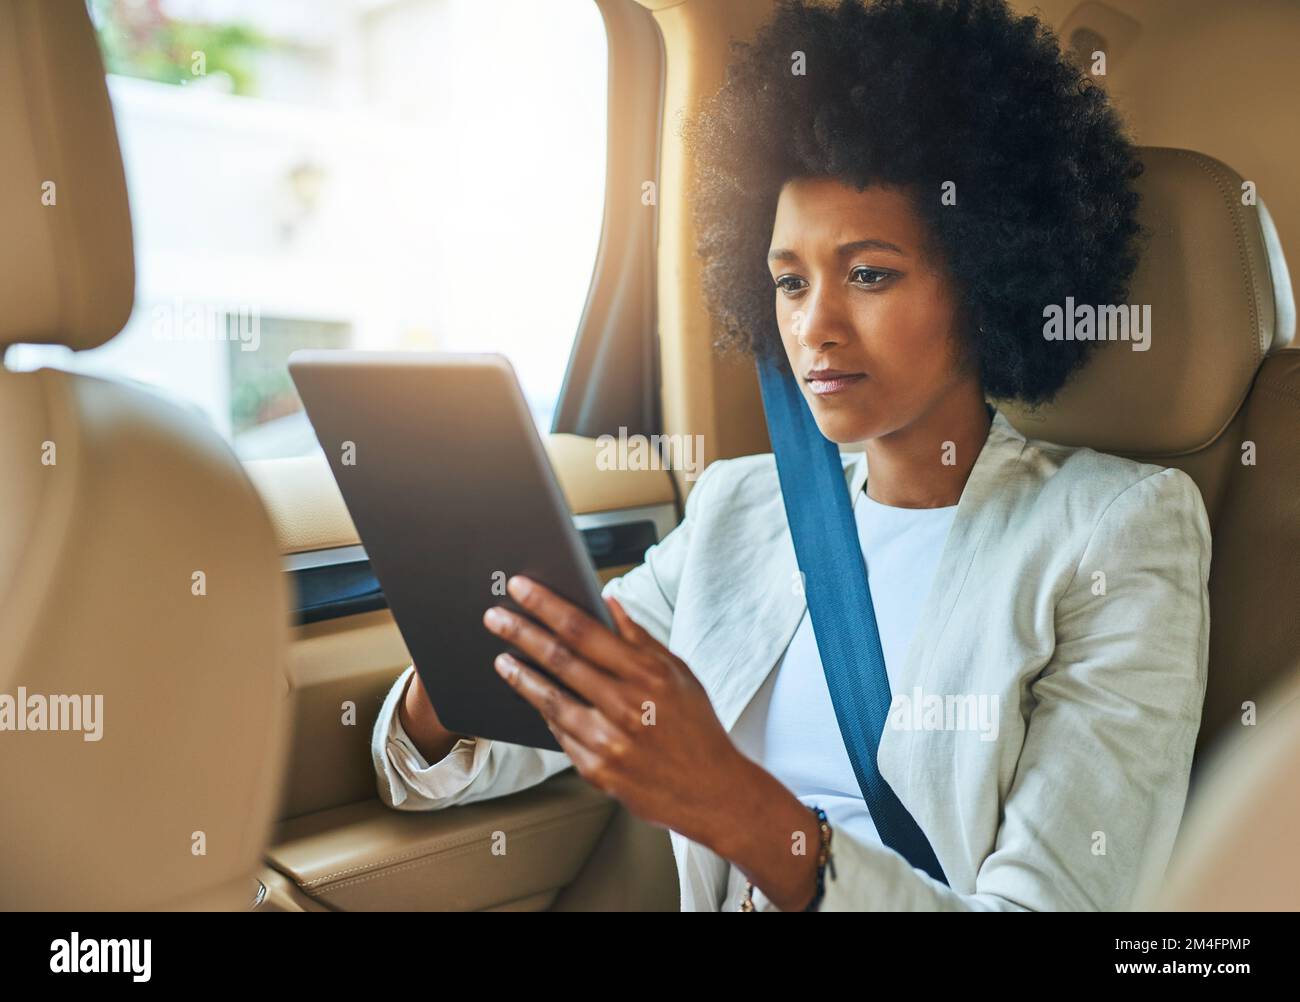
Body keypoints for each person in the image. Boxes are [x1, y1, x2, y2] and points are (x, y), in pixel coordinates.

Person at [370, 0, 1211, 911]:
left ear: (987, 281)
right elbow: (453, 763)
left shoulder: (1118, 533)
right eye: (789, 281)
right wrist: (462, 664)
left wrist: (738, 808)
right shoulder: (741, 507)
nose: (815, 327)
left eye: (871, 273)